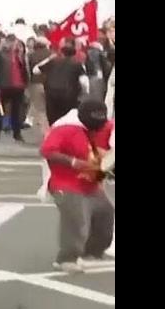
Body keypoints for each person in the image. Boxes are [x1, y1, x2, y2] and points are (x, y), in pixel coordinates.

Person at [40, 99, 114, 273]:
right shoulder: (65, 129)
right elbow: (46, 150)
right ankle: (66, 258)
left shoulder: (106, 127)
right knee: (76, 219)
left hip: (91, 183)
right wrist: (73, 162)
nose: (99, 127)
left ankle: (93, 251)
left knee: (105, 213)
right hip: (65, 182)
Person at [35, 40, 87, 125]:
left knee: (53, 118)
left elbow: (35, 70)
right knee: (68, 119)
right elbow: (84, 82)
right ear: (74, 54)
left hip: (51, 93)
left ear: (62, 53)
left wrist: (49, 59)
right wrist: (83, 92)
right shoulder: (78, 64)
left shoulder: (53, 62)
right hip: (70, 95)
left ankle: (54, 133)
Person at [0, 34, 30, 142]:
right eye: (10, 42)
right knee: (0, 111)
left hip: (18, 86)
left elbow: (24, 69)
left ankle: (17, 134)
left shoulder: (19, 54)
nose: (13, 44)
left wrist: (26, 83)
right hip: (4, 85)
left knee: (16, 111)